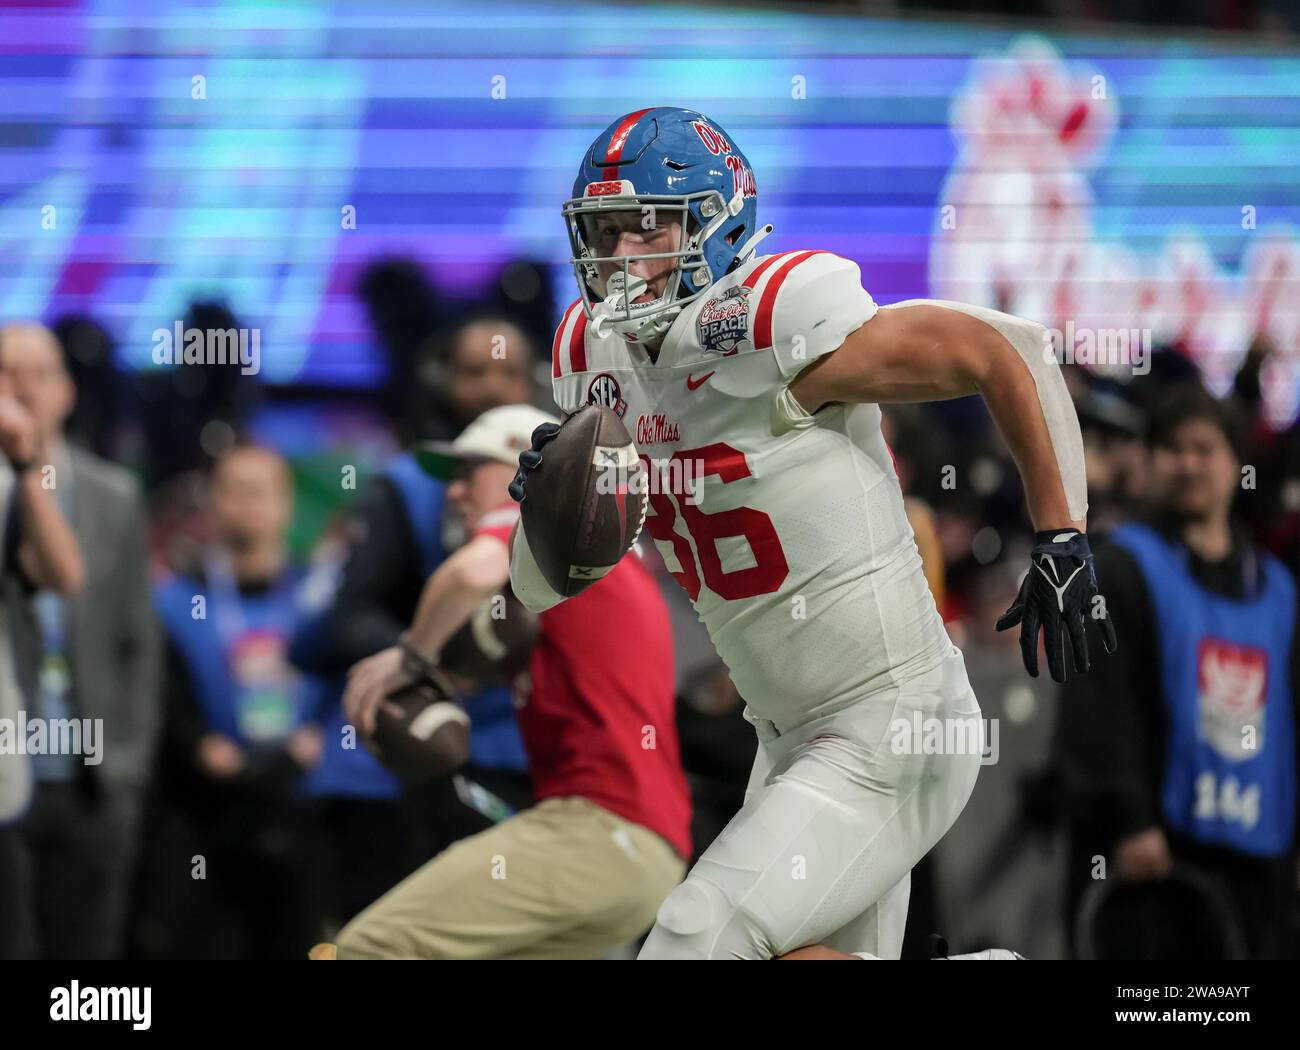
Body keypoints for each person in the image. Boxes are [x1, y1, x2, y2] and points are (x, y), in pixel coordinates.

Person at [506, 107, 1117, 960]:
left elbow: (1002, 349)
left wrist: (1061, 534)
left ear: (716, 227)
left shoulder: (763, 320)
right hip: (788, 733)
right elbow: (542, 589)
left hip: (890, 721)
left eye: (646, 230)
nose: (618, 260)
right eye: (603, 233)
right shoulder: (590, 356)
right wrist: (542, 516)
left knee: (694, 938)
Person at [324, 405, 689, 959]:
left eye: (469, 471)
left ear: (520, 466)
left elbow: (471, 573)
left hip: (594, 830)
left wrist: (412, 657)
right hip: (645, 859)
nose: (453, 492)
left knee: (367, 949)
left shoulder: (544, 526)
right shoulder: (595, 565)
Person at [1056, 384, 1298, 959]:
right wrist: (1130, 820)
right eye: (1171, 448)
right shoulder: (1121, 566)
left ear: (1235, 464)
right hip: (1152, 862)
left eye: (1204, 448)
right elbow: (1098, 706)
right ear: (1151, 461)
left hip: (1255, 865)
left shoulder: (1279, 591)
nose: (1188, 464)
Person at [0, 322, 159, 960]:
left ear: (65, 390)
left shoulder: (113, 495)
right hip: (11, 764)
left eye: (38, 373)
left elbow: (137, 640)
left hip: (92, 774)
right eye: (7, 373)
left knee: (86, 962)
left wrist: (129, 766)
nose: (23, 389)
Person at [139, 443, 326, 958]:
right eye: (235, 491)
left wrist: (317, 743)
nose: (249, 504)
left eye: (261, 491)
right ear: (213, 502)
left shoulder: (317, 595)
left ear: (286, 503)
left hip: (299, 805)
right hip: (205, 810)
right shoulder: (176, 599)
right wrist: (199, 745)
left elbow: (342, 688)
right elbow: (160, 693)